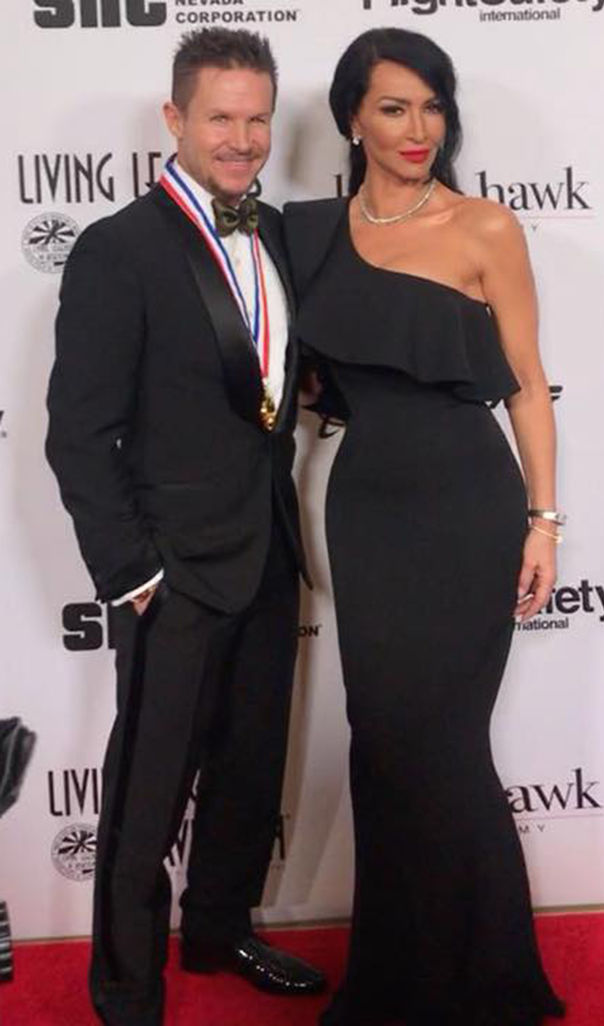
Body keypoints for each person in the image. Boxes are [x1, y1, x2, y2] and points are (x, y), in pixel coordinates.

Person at [284, 27, 566, 1026]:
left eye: (433, 105)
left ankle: (489, 983)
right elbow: (297, 371)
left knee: (442, 746)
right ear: (352, 118)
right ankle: (396, 983)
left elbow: (526, 387)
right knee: (381, 740)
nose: (418, 128)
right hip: (367, 509)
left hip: (466, 505)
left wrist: (542, 521)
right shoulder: (308, 235)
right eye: (394, 106)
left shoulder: (485, 228)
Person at [46, 27, 325, 1026]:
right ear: (175, 118)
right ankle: (126, 986)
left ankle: (219, 926)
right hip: (172, 571)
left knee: (251, 765)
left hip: (269, 551)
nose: (242, 139)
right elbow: (79, 434)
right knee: (148, 788)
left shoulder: (281, 233)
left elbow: (276, 385)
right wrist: (134, 574)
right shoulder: (117, 249)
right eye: (221, 118)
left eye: (258, 120)